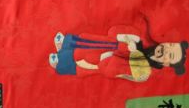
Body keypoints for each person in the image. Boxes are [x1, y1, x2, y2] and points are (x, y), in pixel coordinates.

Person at [49, 27, 188, 81]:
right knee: (89, 41)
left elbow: (120, 71)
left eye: (170, 55)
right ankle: (66, 45)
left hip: (108, 60)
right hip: (111, 45)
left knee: (86, 59)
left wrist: (129, 52)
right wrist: (130, 39)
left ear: (167, 64)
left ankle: (61, 61)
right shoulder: (148, 42)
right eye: (170, 45)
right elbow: (117, 33)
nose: (166, 50)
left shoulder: (145, 71)